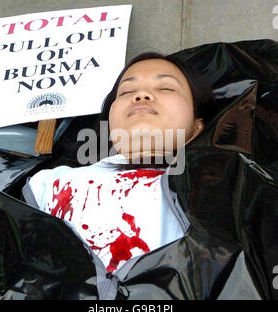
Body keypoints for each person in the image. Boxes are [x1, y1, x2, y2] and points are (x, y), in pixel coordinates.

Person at [22, 52, 216, 275]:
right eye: (126, 91)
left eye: (166, 88)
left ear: (198, 124)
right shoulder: (53, 184)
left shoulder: (224, 185)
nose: (141, 95)